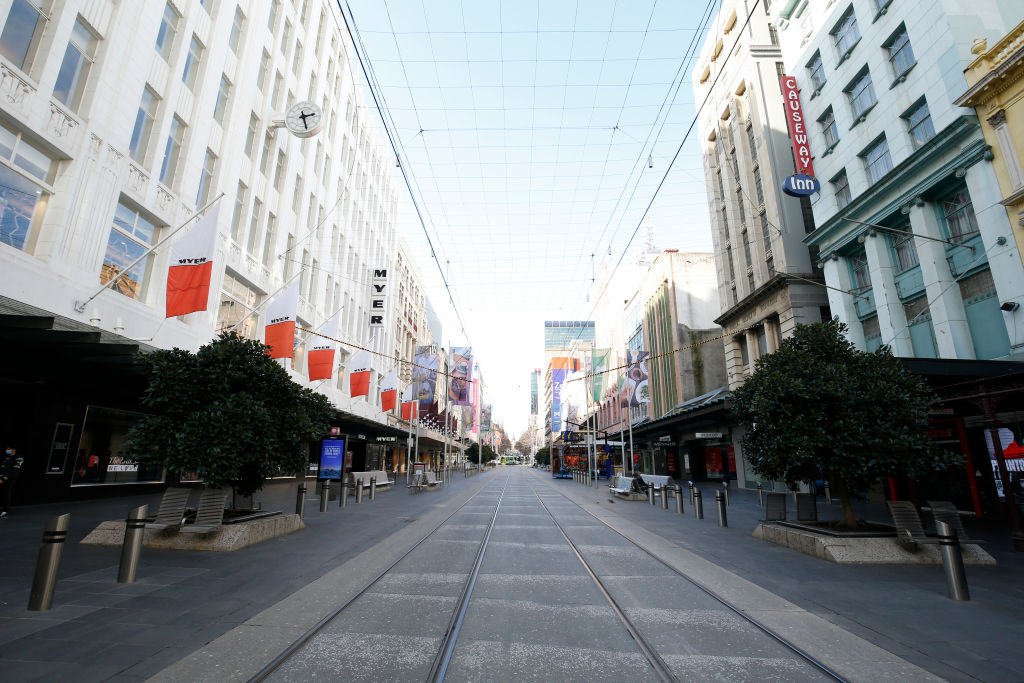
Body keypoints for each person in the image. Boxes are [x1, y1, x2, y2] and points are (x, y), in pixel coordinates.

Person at [1, 446, 24, 518]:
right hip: (2, 478)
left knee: (6, 493)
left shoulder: (19, 458)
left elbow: (14, 471)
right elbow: (3, 469)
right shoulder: (7, 458)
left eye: (9, 449)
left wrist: (4, 479)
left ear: (14, 449)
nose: (7, 450)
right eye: (6, 449)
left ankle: (5, 511)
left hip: (10, 479)